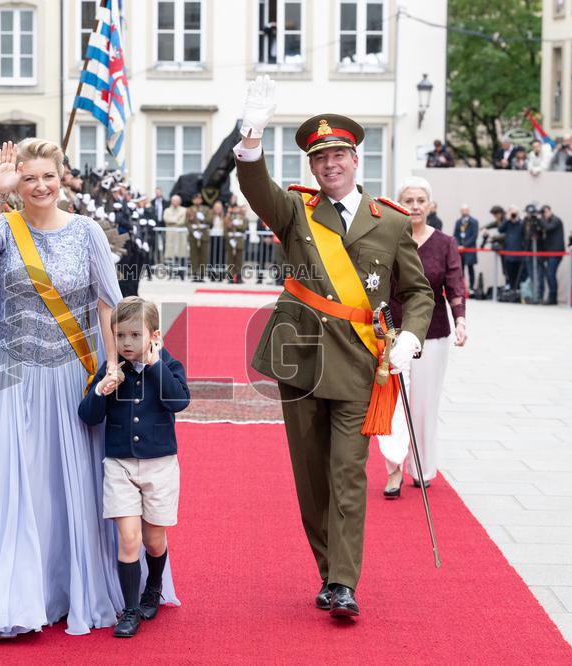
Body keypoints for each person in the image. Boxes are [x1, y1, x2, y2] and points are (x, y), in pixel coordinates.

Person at [0, 138, 176, 637]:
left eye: (48, 177)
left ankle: (65, 585)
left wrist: (111, 363)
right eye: (30, 177)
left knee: (67, 484)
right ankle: (14, 596)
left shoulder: (86, 232)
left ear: (62, 179)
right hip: (9, 370)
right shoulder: (6, 226)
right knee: (13, 481)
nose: (39, 186)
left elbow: (109, 303)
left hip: (70, 371)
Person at [234, 75, 434, 618]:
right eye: (320, 159)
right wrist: (250, 136)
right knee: (311, 478)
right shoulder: (296, 211)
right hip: (300, 360)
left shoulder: (390, 221)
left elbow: (417, 291)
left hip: (358, 365)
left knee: (348, 473)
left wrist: (411, 336)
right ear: (312, 167)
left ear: (355, 158)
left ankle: (344, 582)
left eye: (339, 155)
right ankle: (328, 569)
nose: (330, 166)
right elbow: (255, 188)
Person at [78, 296, 189, 638]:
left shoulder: (167, 365)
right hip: (120, 465)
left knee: (154, 540)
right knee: (128, 539)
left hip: (159, 466)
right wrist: (101, 389)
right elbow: (88, 416)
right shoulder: (113, 368)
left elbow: (178, 400)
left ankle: (153, 587)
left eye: (135, 336)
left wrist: (155, 366)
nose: (126, 344)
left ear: (154, 335)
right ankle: (129, 610)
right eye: (120, 335)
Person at [378, 177, 467, 497]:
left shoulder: (444, 243)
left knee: (424, 403)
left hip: (433, 334)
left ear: (430, 205)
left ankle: (422, 467)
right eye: (408, 200)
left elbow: (455, 287)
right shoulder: (386, 239)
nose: (414, 206)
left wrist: (460, 322)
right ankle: (393, 469)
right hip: (392, 333)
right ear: (399, 203)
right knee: (392, 404)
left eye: (420, 200)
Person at [538, 205, 565, 305]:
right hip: (548, 252)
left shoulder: (556, 220)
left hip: (556, 252)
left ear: (549, 211)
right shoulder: (546, 221)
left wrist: (540, 220)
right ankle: (550, 297)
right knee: (549, 274)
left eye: (545, 212)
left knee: (550, 274)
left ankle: (552, 297)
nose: (543, 215)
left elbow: (548, 228)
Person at [185, 192, 210, 282]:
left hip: (204, 234)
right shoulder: (189, 209)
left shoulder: (206, 209)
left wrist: (203, 218)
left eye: (199, 199)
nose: (197, 200)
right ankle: (195, 274)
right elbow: (187, 222)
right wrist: (193, 231)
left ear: (201, 200)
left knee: (203, 256)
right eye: (195, 199)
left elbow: (210, 221)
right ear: (193, 200)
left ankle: (202, 275)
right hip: (193, 235)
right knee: (194, 256)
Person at [499, 206, 527, 289]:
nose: (513, 215)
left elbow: (525, 233)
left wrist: (518, 218)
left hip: (519, 255)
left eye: (515, 213)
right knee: (510, 275)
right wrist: (507, 218)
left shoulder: (521, 223)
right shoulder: (507, 224)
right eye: (512, 213)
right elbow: (500, 229)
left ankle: (518, 292)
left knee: (519, 276)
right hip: (508, 255)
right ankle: (512, 291)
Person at [453, 205, 478, 292]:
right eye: (463, 210)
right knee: (460, 269)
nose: (464, 212)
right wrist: (458, 245)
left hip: (469, 249)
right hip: (460, 249)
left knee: (470, 268)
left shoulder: (474, 221)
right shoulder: (458, 222)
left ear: (469, 211)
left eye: (466, 210)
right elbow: (455, 234)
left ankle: (471, 287)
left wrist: (465, 245)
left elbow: (474, 236)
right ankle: (462, 287)